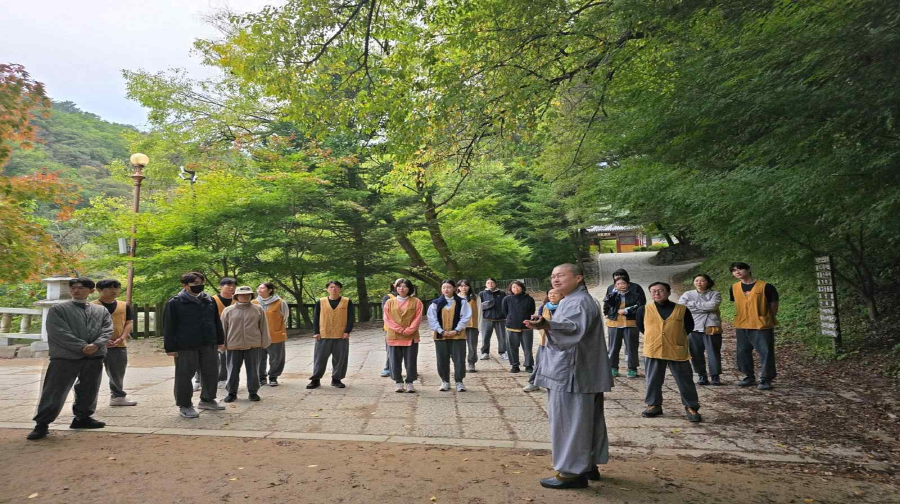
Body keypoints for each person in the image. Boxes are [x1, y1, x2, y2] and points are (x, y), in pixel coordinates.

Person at [525, 264, 612, 489]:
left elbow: (572, 329)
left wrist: (546, 324)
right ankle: (588, 464)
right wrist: (547, 324)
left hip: (571, 374)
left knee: (569, 422)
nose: (555, 279)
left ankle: (571, 473)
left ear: (579, 278)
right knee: (586, 420)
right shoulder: (573, 300)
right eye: (553, 276)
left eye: (561, 275)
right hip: (581, 372)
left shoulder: (578, 301)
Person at [27, 278, 112, 440]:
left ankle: (82, 417)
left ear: (91, 291)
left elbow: (107, 329)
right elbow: (58, 332)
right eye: (73, 288)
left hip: (94, 355)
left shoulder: (101, 311)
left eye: (81, 288)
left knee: (89, 388)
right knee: (55, 390)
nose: (76, 290)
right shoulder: (58, 309)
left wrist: (96, 345)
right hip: (65, 356)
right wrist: (82, 346)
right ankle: (42, 424)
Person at [163, 271, 226, 418]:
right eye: (195, 284)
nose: (199, 286)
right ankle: (185, 405)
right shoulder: (175, 302)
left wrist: (219, 340)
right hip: (186, 345)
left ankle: (208, 399)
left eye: (201, 283)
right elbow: (169, 326)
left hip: (208, 343)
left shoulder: (209, 300)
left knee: (211, 372)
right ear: (185, 285)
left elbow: (216, 321)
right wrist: (170, 347)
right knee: (184, 375)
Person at [636, 282, 701, 423]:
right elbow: (641, 327)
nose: (657, 293)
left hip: (677, 350)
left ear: (668, 292)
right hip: (653, 349)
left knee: (685, 380)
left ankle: (691, 407)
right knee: (653, 380)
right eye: (653, 291)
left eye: (660, 291)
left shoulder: (682, 310)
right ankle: (653, 405)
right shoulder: (644, 309)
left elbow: (689, 327)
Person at [730, 262, 779, 390]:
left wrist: (767, 317)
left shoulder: (766, 286)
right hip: (742, 324)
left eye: (740, 269)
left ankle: (765, 379)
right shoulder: (734, 287)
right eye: (734, 270)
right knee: (743, 352)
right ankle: (749, 376)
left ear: (748, 269)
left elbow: (774, 304)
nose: (737, 272)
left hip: (761, 324)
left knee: (765, 352)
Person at [221, 286, 270, 402]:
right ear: (236, 296)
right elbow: (223, 328)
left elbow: (264, 326)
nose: (245, 296)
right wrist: (222, 345)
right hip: (233, 345)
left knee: (253, 370)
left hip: (254, 344)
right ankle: (232, 393)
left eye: (248, 294)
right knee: (232, 370)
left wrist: (265, 342)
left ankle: (253, 392)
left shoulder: (258, 309)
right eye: (242, 294)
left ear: (251, 295)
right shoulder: (228, 310)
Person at [93, 278, 137, 406]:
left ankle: (117, 397)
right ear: (99, 290)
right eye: (109, 288)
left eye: (116, 288)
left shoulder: (124, 305)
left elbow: (128, 323)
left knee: (118, 372)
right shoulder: (91, 305)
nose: (114, 291)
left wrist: (122, 337)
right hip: (95, 346)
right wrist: (101, 341)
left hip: (118, 344)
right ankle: (87, 400)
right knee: (91, 373)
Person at [427, 279, 472, 392]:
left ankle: (459, 381)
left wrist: (456, 330)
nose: (446, 289)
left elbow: (466, 317)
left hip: (458, 336)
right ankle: (445, 381)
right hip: (440, 336)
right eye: (443, 287)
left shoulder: (462, 302)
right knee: (442, 359)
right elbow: (432, 319)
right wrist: (441, 331)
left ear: (454, 288)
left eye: (448, 287)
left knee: (459, 359)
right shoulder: (435, 303)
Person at [678, 274, 723, 385]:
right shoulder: (688, 294)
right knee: (695, 353)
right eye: (697, 280)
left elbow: (713, 306)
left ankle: (715, 376)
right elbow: (682, 307)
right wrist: (705, 307)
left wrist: (692, 305)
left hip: (711, 327)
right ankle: (701, 375)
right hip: (693, 327)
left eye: (702, 281)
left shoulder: (715, 294)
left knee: (713, 353)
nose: (699, 283)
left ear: (708, 282)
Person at [308, 281, 354, 389]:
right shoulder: (321, 302)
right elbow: (315, 318)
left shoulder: (347, 301)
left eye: (337, 287)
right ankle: (316, 379)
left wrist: (347, 331)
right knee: (320, 358)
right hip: (324, 334)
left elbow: (351, 317)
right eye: (331, 287)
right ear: (327, 289)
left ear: (340, 289)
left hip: (341, 334)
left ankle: (336, 379)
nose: (334, 289)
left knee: (340, 358)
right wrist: (316, 332)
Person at [384, 279, 424, 393]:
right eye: (399, 286)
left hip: (411, 335)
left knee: (411, 360)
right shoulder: (389, 302)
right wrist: (400, 329)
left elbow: (418, 317)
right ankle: (398, 382)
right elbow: (387, 318)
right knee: (394, 360)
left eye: (404, 286)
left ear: (409, 288)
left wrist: (410, 330)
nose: (401, 288)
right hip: (393, 335)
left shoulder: (416, 301)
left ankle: (410, 382)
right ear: (395, 288)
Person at [523, 288, 564, 393]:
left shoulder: (566, 307)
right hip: (545, 340)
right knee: (540, 363)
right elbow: (540, 322)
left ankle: (556, 385)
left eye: (555, 293)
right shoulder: (545, 307)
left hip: (562, 341)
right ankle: (534, 383)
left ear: (562, 295)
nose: (552, 295)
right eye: (550, 293)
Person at [603, 278, 642, 378]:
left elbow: (639, 306)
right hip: (614, 323)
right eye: (618, 284)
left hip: (630, 323)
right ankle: (613, 367)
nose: (621, 285)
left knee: (632, 347)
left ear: (628, 284)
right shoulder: (612, 295)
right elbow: (607, 303)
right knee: (613, 347)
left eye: (623, 283)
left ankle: (632, 368)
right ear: (615, 286)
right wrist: (615, 293)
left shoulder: (635, 295)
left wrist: (627, 310)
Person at [253, 282, 289, 387]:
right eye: (258, 288)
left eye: (262, 288)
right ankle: (261, 377)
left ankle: (273, 376)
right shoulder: (253, 302)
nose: (259, 290)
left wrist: (278, 329)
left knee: (277, 357)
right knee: (259, 357)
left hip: (276, 334)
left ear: (270, 290)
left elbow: (285, 318)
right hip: (258, 335)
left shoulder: (280, 302)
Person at [501, 280, 536, 374]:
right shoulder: (507, 299)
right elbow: (505, 312)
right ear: (510, 289)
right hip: (511, 326)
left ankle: (528, 365)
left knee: (527, 347)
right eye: (513, 287)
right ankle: (514, 365)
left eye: (518, 286)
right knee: (512, 347)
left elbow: (532, 311)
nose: (515, 289)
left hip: (526, 326)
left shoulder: (529, 299)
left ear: (522, 287)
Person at [210, 277, 237, 389]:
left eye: (233, 286)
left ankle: (223, 378)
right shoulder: (212, 300)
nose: (231, 288)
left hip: (232, 333)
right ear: (220, 286)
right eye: (228, 285)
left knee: (227, 357)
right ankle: (199, 379)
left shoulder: (237, 299)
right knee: (210, 357)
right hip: (215, 332)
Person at [478, 278, 507, 360]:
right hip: (486, 318)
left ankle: (503, 352)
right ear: (486, 284)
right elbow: (479, 306)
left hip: (500, 318)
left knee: (502, 337)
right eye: (488, 283)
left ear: (495, 284)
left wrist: (505, 314)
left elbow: (505, 304)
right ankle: (485, 352)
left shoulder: (502, 293)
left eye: (492, 282)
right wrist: (487, 305)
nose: (490, 284)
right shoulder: (482, 293)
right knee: (485, 337)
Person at [380, 279, 402, 378]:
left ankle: (410, 368)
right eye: (399, 285)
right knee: (391, 349)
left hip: (407, 328)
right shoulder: (388, 297)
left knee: (408, 350)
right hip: (391, 328)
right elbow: (386, 313)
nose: (401, 287)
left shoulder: (411, 298)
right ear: (394, 285)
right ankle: (388, 368)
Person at [457, 279, 481, 373]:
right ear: (458, 287)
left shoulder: (476, 298)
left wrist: (479, 326)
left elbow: (479, 312)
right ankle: (460, 363)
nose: (464, 288)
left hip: (472, 325)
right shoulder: (455, 298)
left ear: (469, 287)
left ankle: (471, 363)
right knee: (459, 346)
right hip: (459, 326)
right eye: (461, 286)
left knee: (472, 346)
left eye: (466, 286)